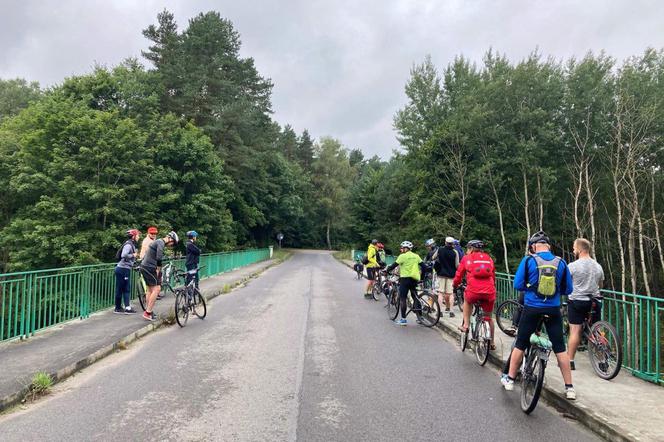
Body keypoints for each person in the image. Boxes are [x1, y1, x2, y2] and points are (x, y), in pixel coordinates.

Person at [501, 231, 576, 400]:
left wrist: (531, 288)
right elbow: (568, 289)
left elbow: (518, 284)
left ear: (534, 247)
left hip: (532, 308)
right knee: (560, 348)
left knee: (520, 343)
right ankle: (569, 388)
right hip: (553, 310)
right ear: (548, 246)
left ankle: (510, 379)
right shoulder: (561, 263)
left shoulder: (529, 261)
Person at [567, 238, 604, 370]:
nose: (573, 250)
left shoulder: (572, 266)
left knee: (575, 331)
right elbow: (600, 283)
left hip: (577, 301)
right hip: (594, 301)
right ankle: (602, 362)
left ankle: (570, 361)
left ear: (580, 249)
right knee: (597, 331)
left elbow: (565, 283)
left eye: (574, 248)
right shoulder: (598, 266)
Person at [453, 240, 496, 350]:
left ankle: (466, 325)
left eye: (467, 248)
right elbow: (493, 275)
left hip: (473, 291)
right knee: (488, 318)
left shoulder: (466, 258)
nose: (467, 251)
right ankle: (491, 342)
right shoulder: (489, 258)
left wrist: (455, 284)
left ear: (471, 249)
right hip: (489, 291)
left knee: (467, 301)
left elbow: (459, 274)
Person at [140, 231, 179, 321]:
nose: (171, 245)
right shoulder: (160, 242)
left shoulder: (158, 242)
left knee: (149, 290)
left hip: (145, 266)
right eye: (173, 243)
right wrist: (158, 269)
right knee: (157, 289)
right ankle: (148, 313)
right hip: (149, 267)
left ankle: (148, 310)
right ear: (170, 239)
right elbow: (159, 257)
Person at [385, 241, 422, 326]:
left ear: (405, 248)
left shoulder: (402, 256)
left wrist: (386, 270)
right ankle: (420, 317)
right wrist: (422, 277)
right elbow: (424, 266)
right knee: (415, 297)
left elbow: (393, 265)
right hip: (414, 279)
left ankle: (403, 319)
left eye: (402, 248)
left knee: (403, 299)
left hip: (405, 280)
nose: (402, 249)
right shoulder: (416, 256)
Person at [114, 229, 140, 315]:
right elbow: (123, 255)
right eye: (138, 235)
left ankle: (118, 308)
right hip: (123, 269)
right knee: (126, 289)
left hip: (122, 269)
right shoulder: (129, 245)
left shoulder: (130, 243)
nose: (139, 237)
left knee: (121, 288)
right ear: (133, 236)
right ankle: (127, 308)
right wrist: (133, 255)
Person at [436, 237, 459, 318]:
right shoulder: (455, 252)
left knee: (440, 293)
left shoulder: (440, 249)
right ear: (452, 243)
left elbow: (433, 257)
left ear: (445, 242)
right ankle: (451, 311)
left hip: (441, 274)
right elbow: (457, 265)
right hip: (451, 275)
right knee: (451, 294)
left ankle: (440, 312)